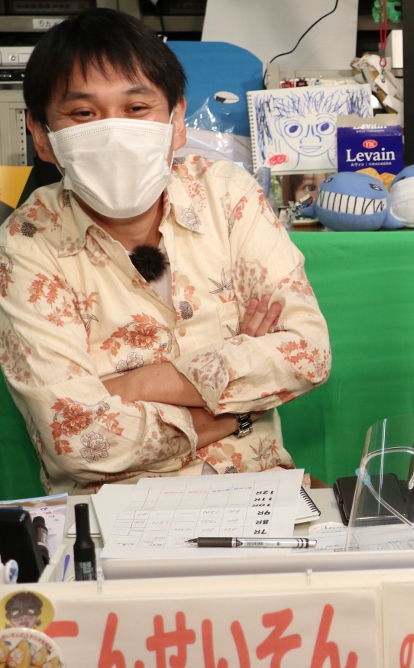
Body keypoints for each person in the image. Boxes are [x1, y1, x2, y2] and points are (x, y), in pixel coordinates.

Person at [0, 9, 331, 494]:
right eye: (84, 114)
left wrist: (136, 386)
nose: (114, 133)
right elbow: (77, 441)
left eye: (137, 108)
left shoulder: (226, 195)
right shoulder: (26, 242)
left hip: (261, 491)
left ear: (177, 120)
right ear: (41, 135)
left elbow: (307, 353)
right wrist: (237, 408)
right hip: (115, 515)